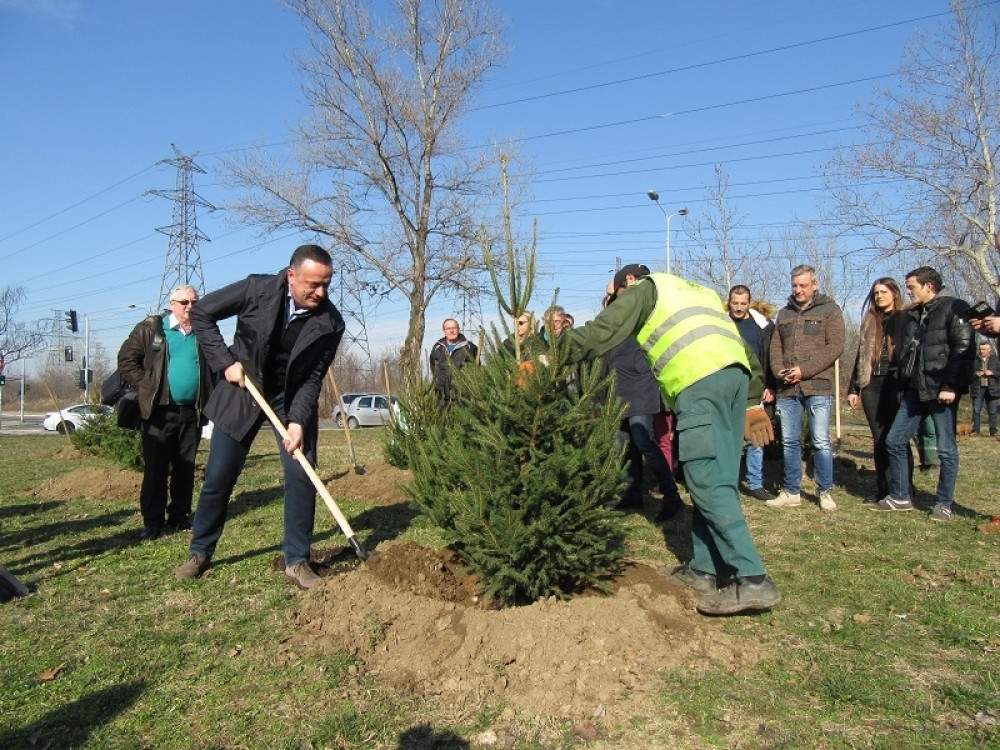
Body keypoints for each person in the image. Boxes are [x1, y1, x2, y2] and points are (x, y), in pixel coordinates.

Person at [562, 264, 780, 616]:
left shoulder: (647, 290)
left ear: (628, 283)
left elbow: (602, 331)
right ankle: (705, 569)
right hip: (732, 381)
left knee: (705, 477)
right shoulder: (700, 294)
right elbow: (745, 350)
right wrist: (753, 401)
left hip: (700, 384)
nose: (615, 299)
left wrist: (549, 355)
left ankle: (753, 580)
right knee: (720, 478)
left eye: (615, 291)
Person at [174, 245, 345, 588]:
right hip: (243, 389)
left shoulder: (331, 322)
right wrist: (225, 362)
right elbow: (203, 313)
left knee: (302, 477)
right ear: (291, 275)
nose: (320, 292)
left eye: (326, 284)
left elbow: (313, 377)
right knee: (219, 477)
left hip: (290, 398)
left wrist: (298, 421)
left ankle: (296, 561)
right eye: (313, 284)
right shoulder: (257, 289)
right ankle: (200, 551)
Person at [877, 266, 974, 521]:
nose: (908, 292)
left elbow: (962, 350)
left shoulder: (955, 307)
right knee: (894, 440)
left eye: (912, 287)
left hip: (941, 390)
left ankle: (943, 504)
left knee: (946, 449)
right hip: (915, 390)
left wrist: (950, 386)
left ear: (929, 286)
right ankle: (900, 496)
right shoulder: (914, 314)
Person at [118, 285, 213, 540]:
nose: (190, 307)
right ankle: (153, 522)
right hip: (159, 412)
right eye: (184, 302)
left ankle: (180, 516)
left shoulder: (203, 332)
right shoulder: (152, 330)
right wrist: (144, 386)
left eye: (194, 301)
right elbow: (127, 359)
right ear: (172, 304)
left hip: (191, 411)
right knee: (156, 469)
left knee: (185, 467)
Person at [600, 278, 683, 522]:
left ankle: (671, 496)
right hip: (617, 394)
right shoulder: (610, 329)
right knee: (623, 447)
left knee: (644, 442)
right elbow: (602, 366)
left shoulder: (643, 322)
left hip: (640, 393)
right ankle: (632, 494)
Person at [768, 265, 845, 511]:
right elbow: (775, 348)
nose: (798, 290)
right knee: (789, 441)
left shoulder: (830, 311)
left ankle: (824, 491)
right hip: (788, 389)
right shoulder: (784, 314)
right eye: (794, 285)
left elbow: (835, 347)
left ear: (814, 285)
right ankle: (791, 491)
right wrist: (780, 371)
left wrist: (805, 370)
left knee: (821, 440)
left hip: (818, 387)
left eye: (803, 285)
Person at [846, 278, 911, 503]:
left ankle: (903, 488)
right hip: (872, 383)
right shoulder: (869, 319)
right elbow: (860, 354)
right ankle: (883, 489)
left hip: (896, 382)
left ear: (894, 293)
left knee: (897, 438)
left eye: (884, 292)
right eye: (876, 293)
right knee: (879, 438)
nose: (879, 296)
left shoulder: (906, 316)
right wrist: (853, 388)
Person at [727, 285, 776, 502]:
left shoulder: (762, 327)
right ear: (728, 302)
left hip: (755, 387)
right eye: (735, 303)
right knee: (729, 436)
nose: (738, 308)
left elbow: (770, 357)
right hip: (727, 387)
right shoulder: (721, 323)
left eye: (743, 303)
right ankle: (728, 482)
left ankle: (755, 483)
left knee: (756, 435)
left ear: (750, 302)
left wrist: (769, 385)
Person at [428, 318, 478, 401]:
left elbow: (476, 368)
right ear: (444, 330)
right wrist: (438, 384)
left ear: (458, 329)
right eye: (448, 328)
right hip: (442, 396)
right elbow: (434, 367)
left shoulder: (469, 347)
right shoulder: (437, 348)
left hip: (463, 396)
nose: (451, 331)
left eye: (454, 328)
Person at [969, 341, 1000, 436]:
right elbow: (967, 374)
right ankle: (976, 431)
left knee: (993, 411)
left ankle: (993, 431)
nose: (981, 351)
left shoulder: (996, 360)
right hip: (978, 388)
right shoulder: (974, 360)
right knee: (976, 410)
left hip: (992, 388)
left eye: (984, 349)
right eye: (980, 349)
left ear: (989, 350)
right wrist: (976, 374)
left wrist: (992, 373)